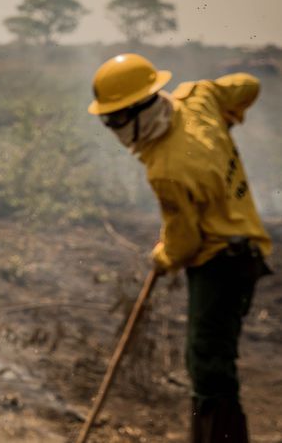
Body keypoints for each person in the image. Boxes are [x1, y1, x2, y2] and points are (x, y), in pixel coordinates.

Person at [87, 53, 273, 442]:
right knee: (212, 356)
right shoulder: (199, 98)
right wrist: (222, 117)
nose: (113, 128)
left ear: (142, 109)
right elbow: (249, 86)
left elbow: (185, 241)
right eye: (108, 120)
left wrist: (163, 257)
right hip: (247, 248)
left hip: (220, 262)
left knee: (207, 363)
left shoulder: (167, 169)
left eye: (116, 118)